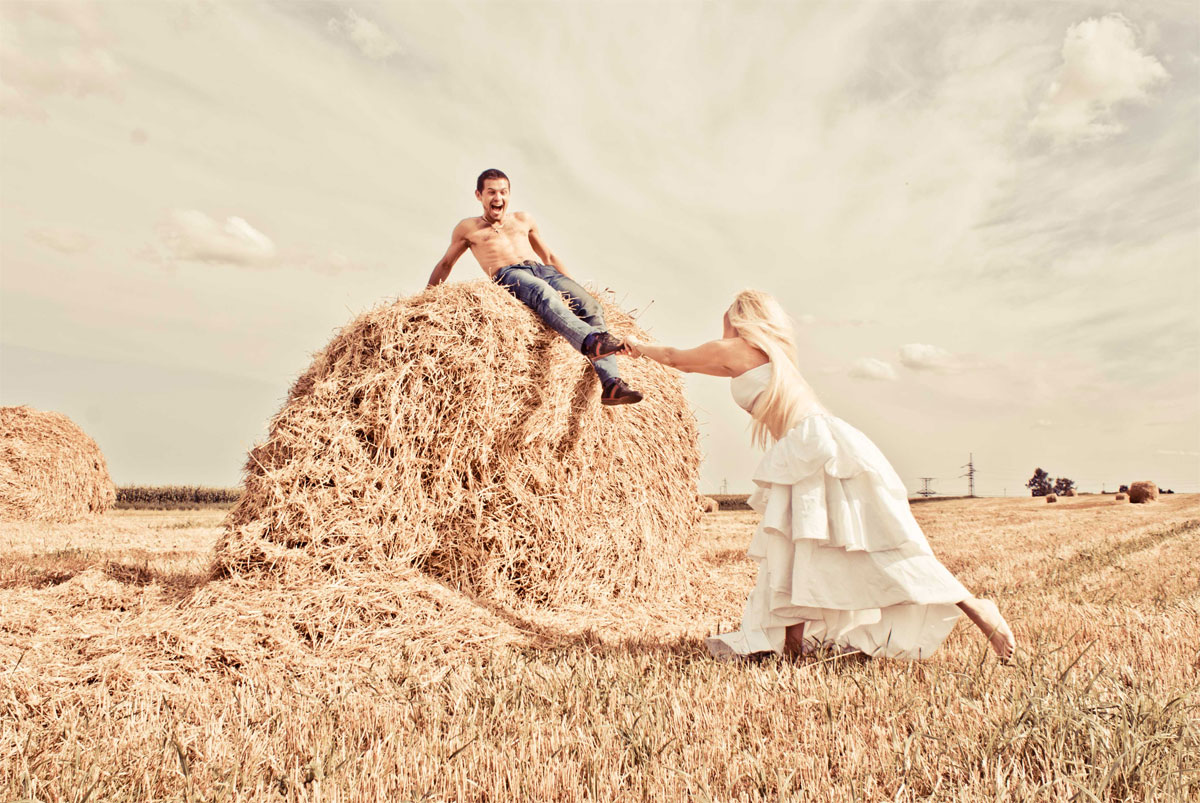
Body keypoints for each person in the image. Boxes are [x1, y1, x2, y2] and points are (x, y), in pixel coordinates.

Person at [625, 289, 1016, 662]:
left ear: (741, 317)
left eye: (728, 314)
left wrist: (632, 346)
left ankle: (971, 604)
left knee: (871, 545)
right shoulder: (771, 356)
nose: (723, 321)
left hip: (813, 446)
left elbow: (677, 357)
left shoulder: (737, 349)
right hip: (823, 442)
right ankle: (792, 645)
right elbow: (691, 364)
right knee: (804, 544)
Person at [428, 169, 643, 406]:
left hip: (541, 269)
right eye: (491, 192)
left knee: (592, 307)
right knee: (543, 293)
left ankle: (611, 384)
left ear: (509, 194)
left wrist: (574, 287)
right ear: (479, 195)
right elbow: (446, 263)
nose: (497, 198)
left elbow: (549, 256)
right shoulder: (468, 229)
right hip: (509, 274)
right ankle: (591, 342)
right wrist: (428, 299)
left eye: (503, 192)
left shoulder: (523, 220)